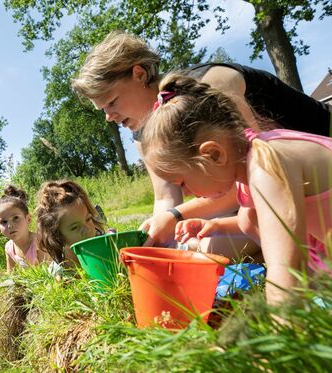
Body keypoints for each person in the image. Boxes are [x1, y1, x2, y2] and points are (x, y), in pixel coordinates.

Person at [71, 30, 332, 256]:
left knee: (212, 246)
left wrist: (177, 217)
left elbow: (248, 175)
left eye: (112, 102)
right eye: (102, 109)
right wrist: (153, 238)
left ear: (139, 74)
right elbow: (166, 198)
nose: (108, 117)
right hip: (271, 193)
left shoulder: (206, 89)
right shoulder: (146, 135)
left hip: (314, 168)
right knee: (197, 242)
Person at [140, 72, 332, 305]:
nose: (187, 193)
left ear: (213, 154)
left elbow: (286, 269)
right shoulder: (252, 164)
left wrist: (279, 320)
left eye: (182, 182)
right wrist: (217, 225)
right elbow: (265, 219)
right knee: (247, 217)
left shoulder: (266, 168)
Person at [0, 185, 50, 286]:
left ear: (28, 219)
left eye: (16, 218)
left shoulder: (38, 242)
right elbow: (11, 275)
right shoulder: (9, 247)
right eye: (4, 222)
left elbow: (48, 276)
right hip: (29, 286)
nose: (10, 225)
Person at [35, 180, 105, 267]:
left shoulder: (107, 250)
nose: (86, 229)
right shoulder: (62, 272)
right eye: (74, 227)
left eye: (88, 219)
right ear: (57, 236)